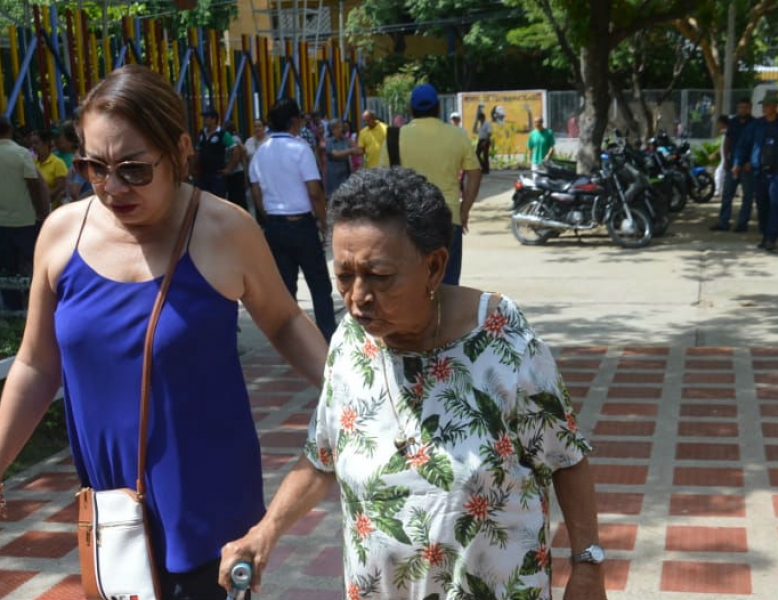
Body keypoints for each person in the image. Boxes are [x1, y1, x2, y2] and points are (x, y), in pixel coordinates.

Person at [0, 65, 329, 597]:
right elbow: (37, 364)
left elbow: (286, 321)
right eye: (94, 166)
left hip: (210, 508)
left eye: (133, 169)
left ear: (178, 150)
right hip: (112, 508)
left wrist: (347, 390)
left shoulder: (225, 230)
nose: (112, 188)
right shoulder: (62, 234)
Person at [220, 167, 607, 600]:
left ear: (435, 266)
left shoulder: (502, 339)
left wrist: (588, 565)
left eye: (379, 276)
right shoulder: (350, 342)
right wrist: (265, 531)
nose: (358, 297)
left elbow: (565, 456)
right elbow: (322, 459)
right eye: (344, 275)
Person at [249, 97, 337, 342]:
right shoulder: (300, 149)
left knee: (285, 287)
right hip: (302, 224)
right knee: (319, 283)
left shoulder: (260, 151)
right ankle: (327, 336)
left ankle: (291, 340)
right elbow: (315, 192)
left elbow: (256, 192)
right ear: (294, 121)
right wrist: (324, 223)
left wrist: (268, 217)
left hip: (275, 226)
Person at [378, 83, 482, 286]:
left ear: (411, 109)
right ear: (438, 108)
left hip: (409, 219)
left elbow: (381, 178)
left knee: (411, 283)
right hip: (449, 216)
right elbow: (475, 174)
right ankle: (445, 318)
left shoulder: (394, 137)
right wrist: (464, 209)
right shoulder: (457, 135)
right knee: (448, 284)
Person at [0, 114, 47, 309]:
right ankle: (38, 308)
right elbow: (33, 183)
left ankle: (12, 308)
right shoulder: (21, 153)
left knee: (7, 270)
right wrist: (41, 211)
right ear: (11, 130)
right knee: (35, 267)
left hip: (1, 221)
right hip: (26, 219)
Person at [734, 92, 778, 252]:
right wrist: (738, 162)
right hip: (760, 172)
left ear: (775, 107)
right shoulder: (756, 125)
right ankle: (765, 235)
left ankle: (771, 238)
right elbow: (743, 145)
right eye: (763, 106)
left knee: (775, 205)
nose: (764, 108)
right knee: (762, 206)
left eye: (768, 105)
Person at [712, 98, 755, 232]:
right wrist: (725, 160)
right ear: (737, 109)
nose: (743, 110)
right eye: (741, 107)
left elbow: (757, 145)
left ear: (750, 108)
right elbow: (727, 141)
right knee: (727, 195)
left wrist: (752, 162)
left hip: (747, 166)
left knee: (747, 197)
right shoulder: (733, 122)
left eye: (746, 107)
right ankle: (723, 222)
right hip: (732, 164)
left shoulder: (755, 124)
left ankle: (742, 224)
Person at [194, 106, 238, 198]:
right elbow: (197, 151)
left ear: (214, 119)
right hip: (203, 175)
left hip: (217, 175)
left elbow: (235, 150)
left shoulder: (222, 134)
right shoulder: (202, 133)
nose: (204, 119)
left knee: (217, 201)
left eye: (207, 117)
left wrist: (229, 168)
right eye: (204, 117)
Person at [30, 129, 69, 208]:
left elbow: (61, 186)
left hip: (54, 206)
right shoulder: (32, 163)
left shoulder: (57, 163)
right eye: (32, 144)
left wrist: (46, 198)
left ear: (47, 143)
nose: (33, 146)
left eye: (36, 143)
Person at [222, 121, 248, 210]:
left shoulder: (234, 139)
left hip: (236, 172)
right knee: (233, 198)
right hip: (232, 172)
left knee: (239, 198)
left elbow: (244, 150)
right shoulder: (229, 138)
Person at [324, 119, 352, 196]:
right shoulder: (329, 142)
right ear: (333, 130)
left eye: (341, 127)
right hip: (334, 176)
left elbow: (357, 150)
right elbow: (335, 154)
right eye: (339, 127)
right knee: (334, 197)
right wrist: (350, 151)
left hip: (345, 174)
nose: (341, 129)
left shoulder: (345, 140)